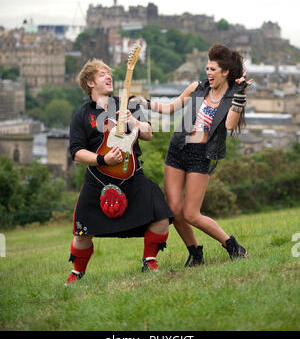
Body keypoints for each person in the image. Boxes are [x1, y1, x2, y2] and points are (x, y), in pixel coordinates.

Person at [137, 43, 250, 267]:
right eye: (207, 68)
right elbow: (172, 107)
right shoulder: (197, 88)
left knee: (190, 213)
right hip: (178, 149)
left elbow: (229, 125)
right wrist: (145, 103)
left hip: (201, 154)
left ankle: (232, 245)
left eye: (213, 69)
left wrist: (238, 98)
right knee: (175, 210)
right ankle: (195, 253)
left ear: (225, 72)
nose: (208, 73)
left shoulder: (230, 98)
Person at [65, 58, 173, 284]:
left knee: (162, 216)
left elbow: (148, 133)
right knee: (82, 232)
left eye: (109, 73)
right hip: (98, 180)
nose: (108, 76)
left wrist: (133, 120)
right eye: (102, 73)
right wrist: (102, 158)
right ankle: (77, 272)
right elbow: (76, 152)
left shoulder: (128, 105)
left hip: (133, 177)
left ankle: (149, 260)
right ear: (89, 83)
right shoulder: (82, 116)